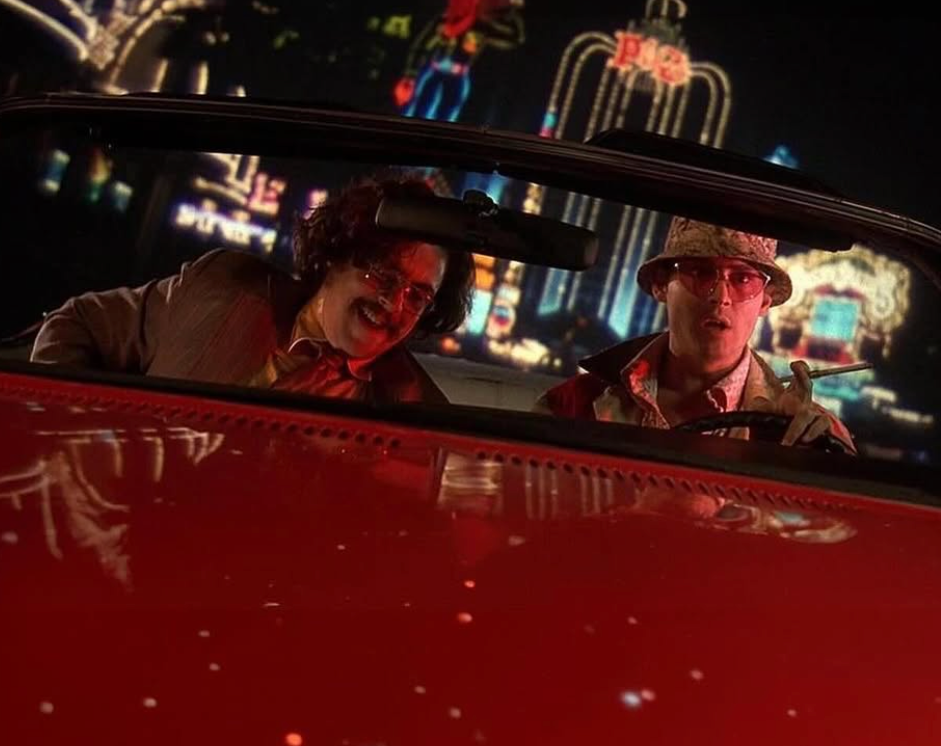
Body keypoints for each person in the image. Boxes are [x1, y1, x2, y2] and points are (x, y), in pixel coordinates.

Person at [31, 175, 474, 406]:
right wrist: (73, 446)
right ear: (337, 253)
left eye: (417, 295)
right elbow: (77, 324)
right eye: (383, 274)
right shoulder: (220, 286)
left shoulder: (416, 409)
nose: (394, 303)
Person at [537, 217, 855, 451]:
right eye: (701, 273)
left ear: (764, 302)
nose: (720, 296)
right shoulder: (572, 406)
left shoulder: (813, 434)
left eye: (743, 279)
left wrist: (804, 457)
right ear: (661, 286)